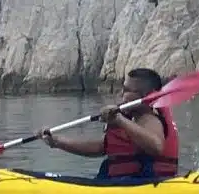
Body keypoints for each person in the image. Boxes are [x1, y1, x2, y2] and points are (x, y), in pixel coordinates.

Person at [41, 68, 181, 181]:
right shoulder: (132, 120)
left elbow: (157, 147)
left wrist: (120, 120)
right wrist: (57, 141)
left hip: (146, 184)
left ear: (146, 95)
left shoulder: (150, 119)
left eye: (127, 90)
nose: (121, 94)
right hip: (121, 183)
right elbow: (101, 148)